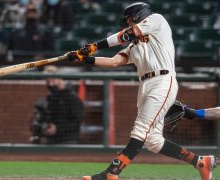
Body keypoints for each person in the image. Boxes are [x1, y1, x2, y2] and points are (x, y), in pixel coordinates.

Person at [66, 2, 217, 180]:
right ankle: (200, 162)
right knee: (153, 141)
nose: (129, 23)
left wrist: (95, 46)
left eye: (130, 20)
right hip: (145, 85)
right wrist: (84, 58)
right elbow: (113, 62)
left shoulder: (156, 20)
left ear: (138, 15)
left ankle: (111, 173)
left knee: (140, 130)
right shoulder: (134, 45)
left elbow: (129, 34)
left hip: (163, 80)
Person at [30, 65, 84, 144]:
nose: (50, 84)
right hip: (53, 139)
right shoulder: (51, 97)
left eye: (52, 80)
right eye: (47, 82)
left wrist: (58, 129)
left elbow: (77, 122)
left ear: (59, 78)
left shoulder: (72, 97)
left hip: (69, 140)